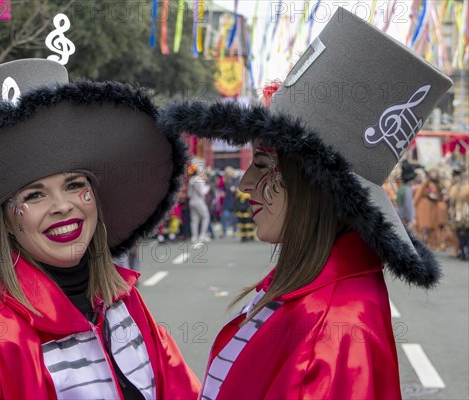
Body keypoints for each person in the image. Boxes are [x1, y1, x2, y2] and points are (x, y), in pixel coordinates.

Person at [159, 7, 450, 399]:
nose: (245, 184)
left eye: (261, 165)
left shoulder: (337, 330)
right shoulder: (308, 287)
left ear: (313, 183)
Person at [0, 59, 200, 399]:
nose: (62, 205)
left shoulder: (126, 302)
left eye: (73, 184)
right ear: (7, 221)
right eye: (34, 194)